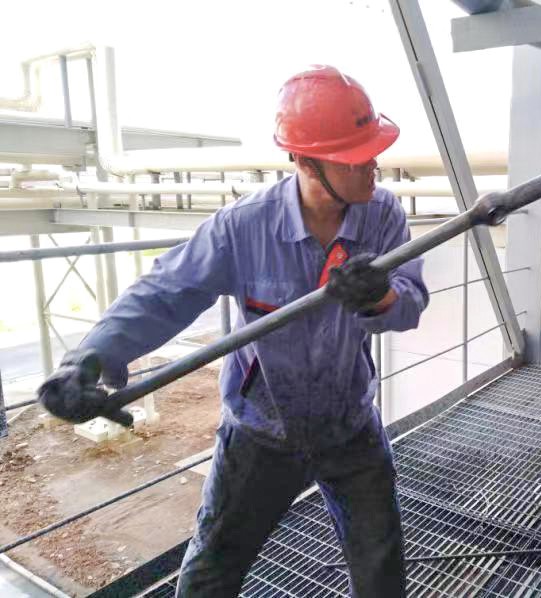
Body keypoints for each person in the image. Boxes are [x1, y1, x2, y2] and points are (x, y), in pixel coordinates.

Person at [37, 65, 429, 597]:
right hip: (261, 434)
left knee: (381, 568)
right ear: (306, 162)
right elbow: (166, 292)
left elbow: (409, 303)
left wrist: (381, 296)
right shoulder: (244, 227)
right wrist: (89, 355)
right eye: (355, 156)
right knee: (211, 572)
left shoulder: (383, 217)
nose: (373, 165)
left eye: (371, 151)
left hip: (349, 425)